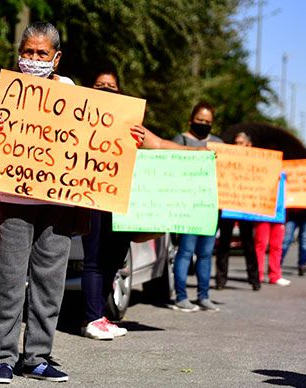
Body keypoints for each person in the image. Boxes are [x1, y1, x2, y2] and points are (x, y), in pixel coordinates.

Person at [0, 22, 78, 384]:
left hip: (58, 202)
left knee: (49, 282)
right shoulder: (3, 88)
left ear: (56, 57)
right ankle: (3, 357)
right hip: (13, 198)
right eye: (28, 52)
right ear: (19, 53)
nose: (34, 60)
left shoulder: (69, 90)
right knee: (8, 278)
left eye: (41, 54)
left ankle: (37, 356)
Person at [81, 69, 207, 339]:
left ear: (119, 91)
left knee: (113, 260)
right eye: (99, 84)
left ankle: (99, 316)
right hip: (91, 197)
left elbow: (160, 144)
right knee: (94, 259)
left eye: (111, 86)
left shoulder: (129, 123)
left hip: (121, 201)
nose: (105, 88)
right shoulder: (79, 118)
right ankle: (91, 318)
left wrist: (198, 153)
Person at [171, 101, 222, 312]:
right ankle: (181, 296)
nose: (203, 124)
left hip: (210, 206)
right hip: (187, 205)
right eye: (200, 120)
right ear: (191, 120)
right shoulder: (180, 140)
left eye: (207, 121)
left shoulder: (219, 144)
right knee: (185, 252)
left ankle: (204, 296)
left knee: (206, 254)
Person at [215, 132, 261, 291]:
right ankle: (221, 279)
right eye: (235, 142)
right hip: (228, 204)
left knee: (248, 243)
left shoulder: (256, 162)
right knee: (224, 243)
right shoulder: (227, 159)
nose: (237, 146)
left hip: (245, 207)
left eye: (240, 143)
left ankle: (254, 279)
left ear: (249, 145)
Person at [281, 208, 306, 276]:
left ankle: (302, 266)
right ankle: (276, 264)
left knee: (305, 241)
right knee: (286, 240)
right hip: (292, 213)